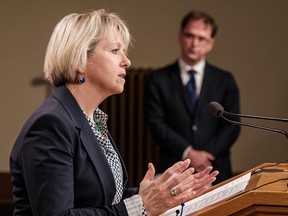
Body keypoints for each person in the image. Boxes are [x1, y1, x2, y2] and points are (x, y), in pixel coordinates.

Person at [10, 9, 218, 216]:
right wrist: (141, 206)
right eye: (115, 50)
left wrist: (162, 195)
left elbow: (102, 198)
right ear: (80, 60)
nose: (126, 61)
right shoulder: (51, 124)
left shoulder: (93, 119)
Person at [146, 10, 240, 185]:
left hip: (216, 168)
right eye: (189, 36)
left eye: (202, 38)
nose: (194, 43)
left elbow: (232, 126)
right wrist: (189, 153)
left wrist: (204, 156)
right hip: (173, 168)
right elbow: (156, 124)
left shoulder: (225, 80)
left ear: (211, 43)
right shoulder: (159, 79)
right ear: (180, 37)